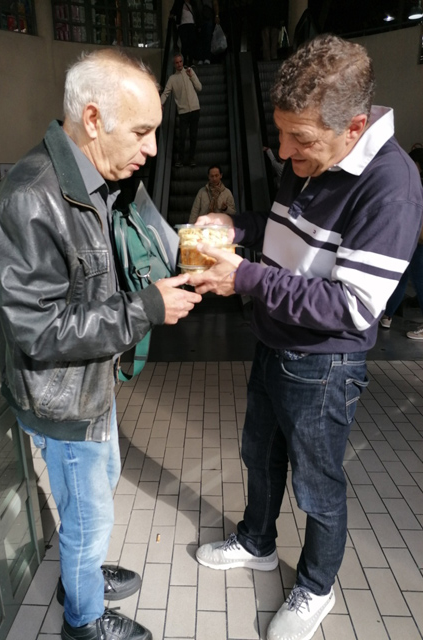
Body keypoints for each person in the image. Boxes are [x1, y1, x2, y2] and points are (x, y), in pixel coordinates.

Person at [187, 34, 423, 640]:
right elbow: (284, 228)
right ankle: (257, 542)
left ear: (354, 125)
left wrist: (244, 276)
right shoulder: (311, 158)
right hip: (274, 342)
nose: (286, 153)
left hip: (324, 365)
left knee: (318, 484)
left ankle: (317, 586)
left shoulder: (390, 187)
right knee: (258, 454)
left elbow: (353, 306)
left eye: (302, 140)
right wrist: (234, 225)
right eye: (282, 134)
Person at [0, 48, 201, 640]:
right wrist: (148, 307)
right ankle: (82, 620)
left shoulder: (98, 180)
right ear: (94, 119)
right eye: (142, 131)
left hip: (91, 382)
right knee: (88, 515)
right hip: (63, 399)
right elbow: (40, 330)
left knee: (96, 495)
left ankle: (82, 571)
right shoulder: (31, 198)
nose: (152, 148)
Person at [380, 146, 423, 339]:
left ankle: (388, 316)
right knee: (405, 277)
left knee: (413, 279)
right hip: (414, 238)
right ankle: (387, 315)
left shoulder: (416, 182)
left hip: (415, 238)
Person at [161, 53, 202, 168]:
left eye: (180, 62)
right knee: (182, 136)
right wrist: (159, 104)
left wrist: (192, 76)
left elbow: (199, 87)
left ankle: (192, 158)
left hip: (195, 109)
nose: (179, 64)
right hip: (183, 112)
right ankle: (180, 159)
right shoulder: (172, 79)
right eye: (177, 62)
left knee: (193, 135)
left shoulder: (189, 72)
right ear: (174, 64)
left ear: (183, 62)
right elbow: (166, 93)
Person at [169, 0, 199, 67]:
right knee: (184, 43)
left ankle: (191, 60)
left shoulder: (193, 3)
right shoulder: (179, 3)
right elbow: (174, 10)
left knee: (191, 43)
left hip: (191, 24)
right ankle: (185, 61)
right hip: (183, 25)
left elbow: (197, 13)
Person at [197, 0, 220, 64]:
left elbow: (215, 3)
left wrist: (217, 15)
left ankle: (206, 57)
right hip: (201, 17)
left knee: (207, 37)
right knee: (202, 38)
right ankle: (203, 57)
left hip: (206, 16)